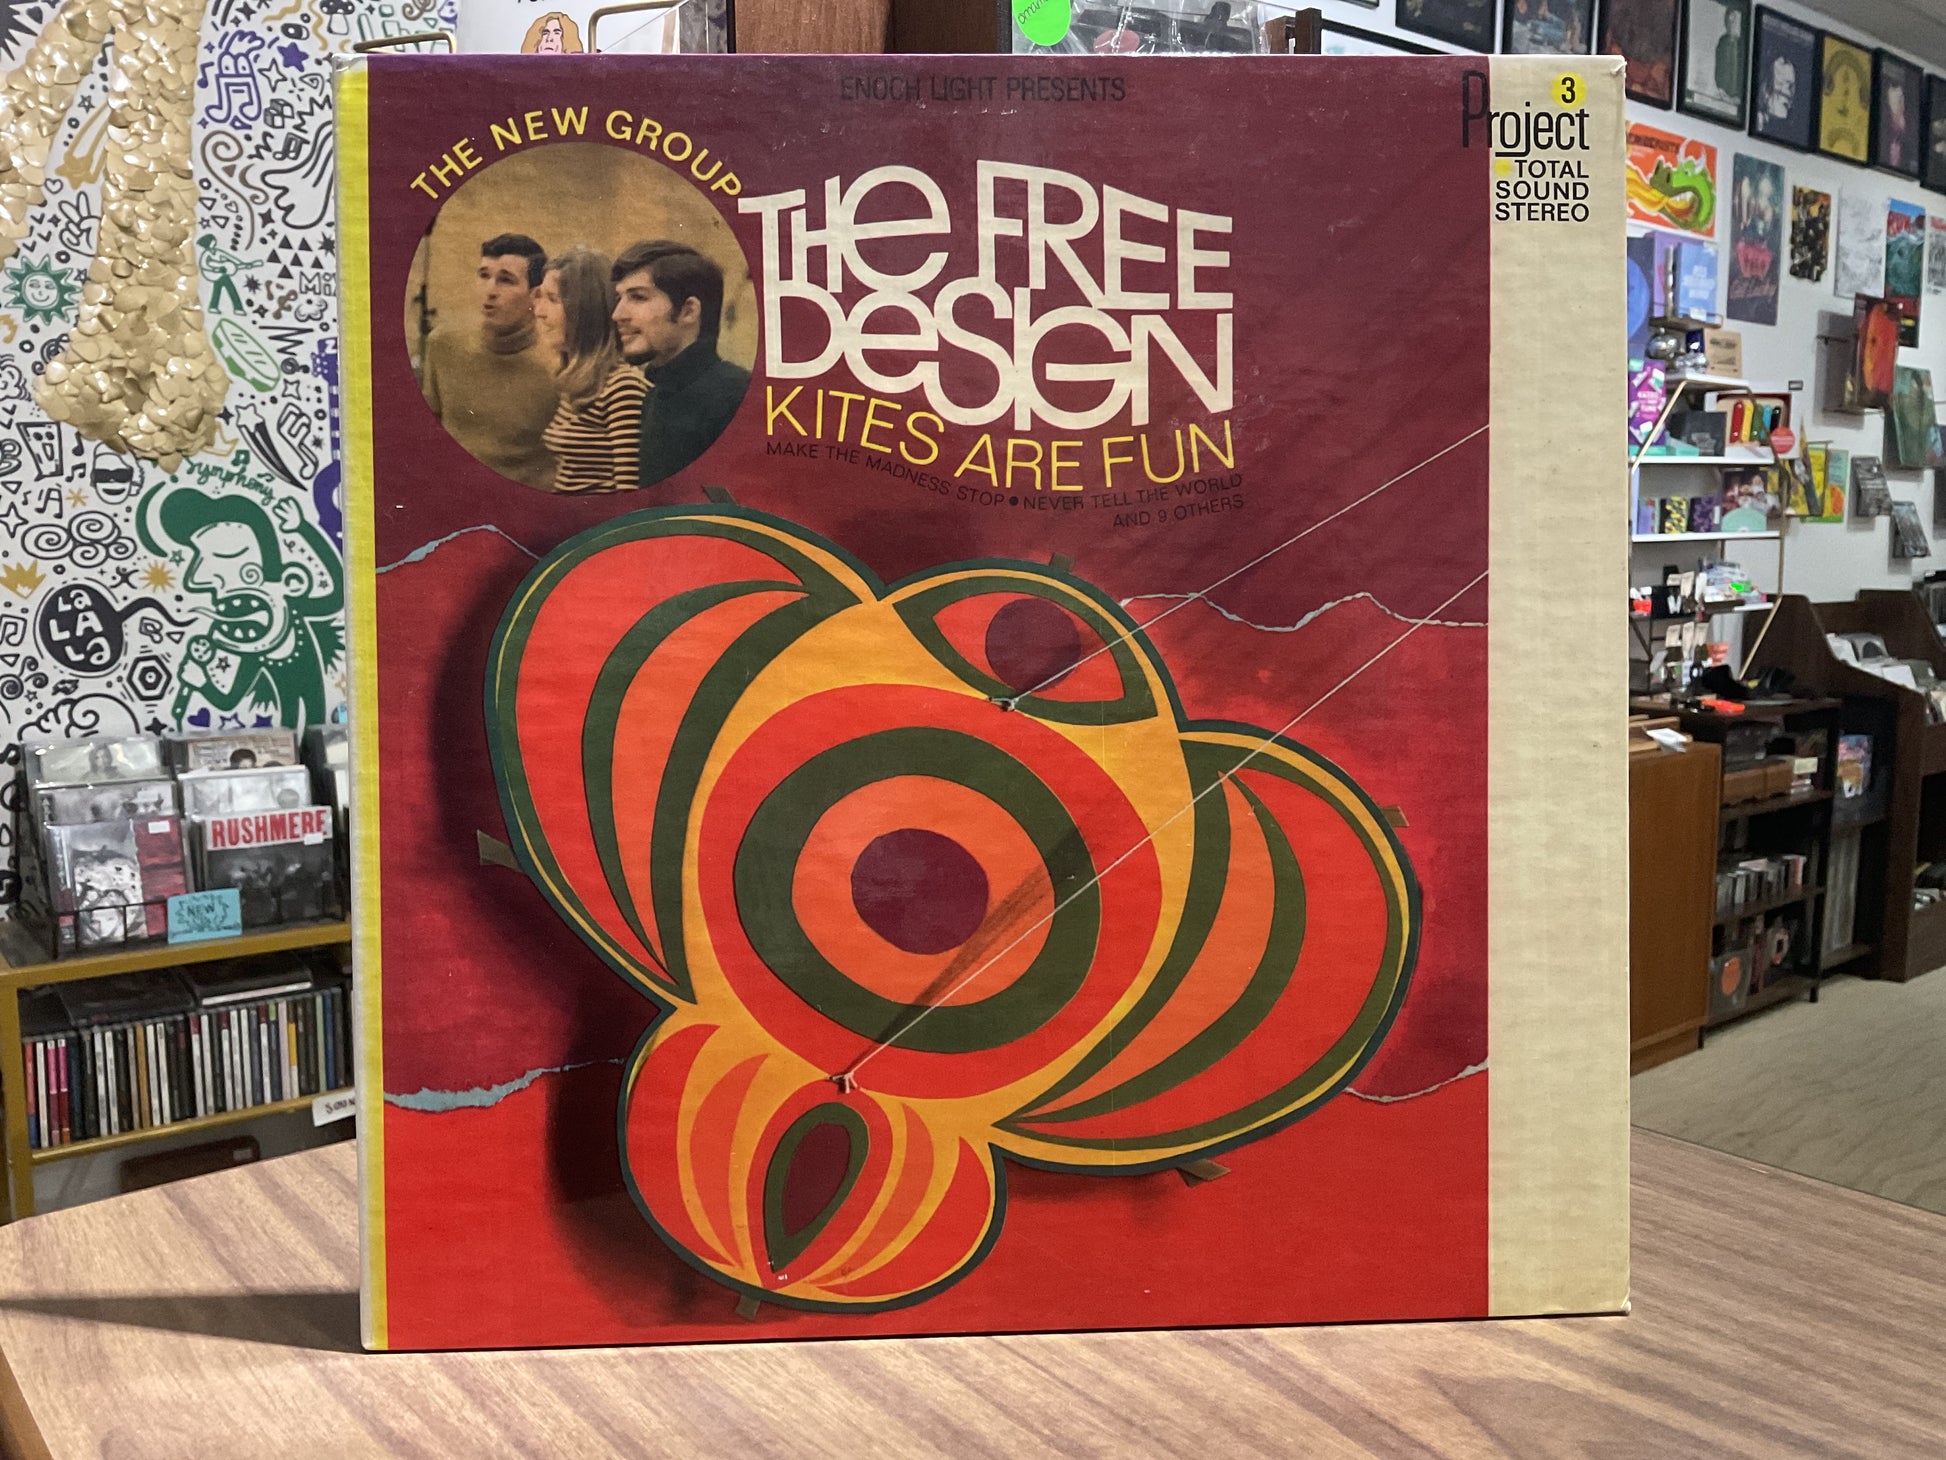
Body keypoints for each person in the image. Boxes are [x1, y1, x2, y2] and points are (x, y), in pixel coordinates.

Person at [419, 233, 559, 489]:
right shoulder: (444, 344)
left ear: (536, 295)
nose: (490, 291)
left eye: (506, 280)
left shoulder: (557, 364)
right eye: (484, 275)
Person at [610, 241, 751, 488]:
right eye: (619, 298)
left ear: (688, 311)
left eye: (638, 297)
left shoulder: (735, 394)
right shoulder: (654, 397)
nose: (618, 314)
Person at [531, 248, 649, 493]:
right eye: (540, 298)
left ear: (585, 311)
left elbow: (630, 493)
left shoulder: (623, 388)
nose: (539, 312)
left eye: (553, 299)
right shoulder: (577, 381)